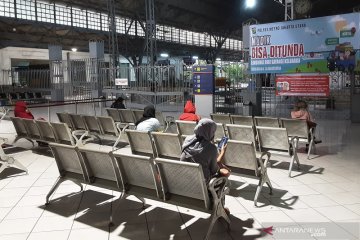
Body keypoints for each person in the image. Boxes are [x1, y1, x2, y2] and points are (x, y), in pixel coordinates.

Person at [180, 118, 230, 183]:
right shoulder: (211, 148)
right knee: (226, 172)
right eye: (213, 131)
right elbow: (214, 170)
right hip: (202, 184)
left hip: (185, 180)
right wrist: (222, 152)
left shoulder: (187, 139)